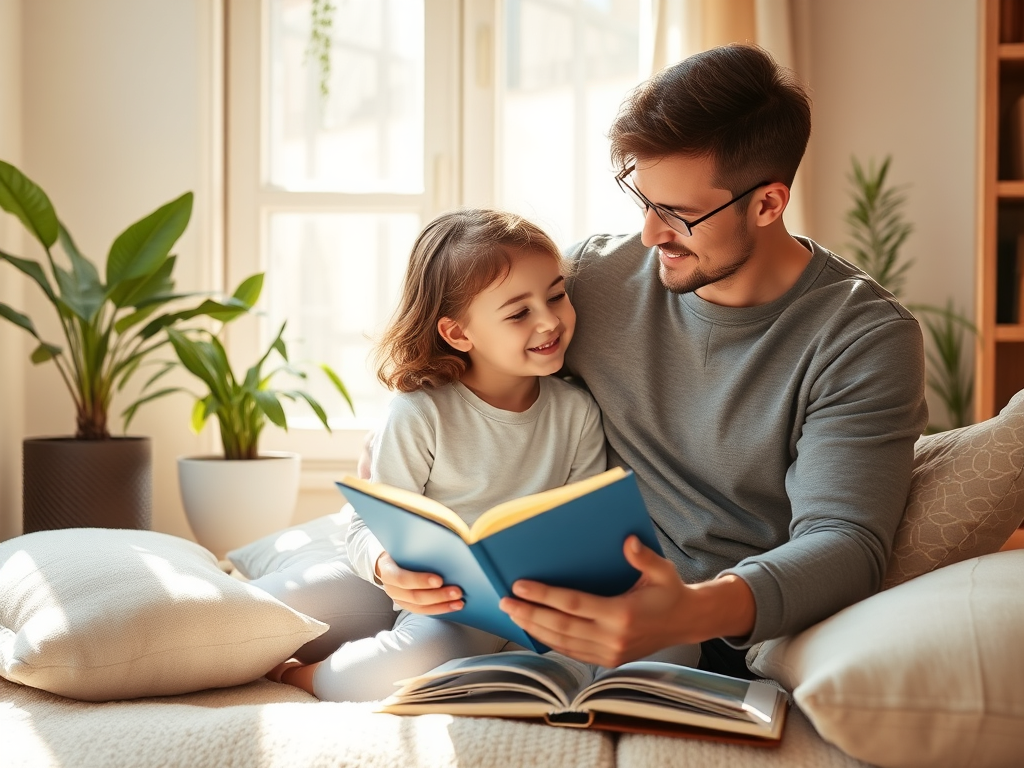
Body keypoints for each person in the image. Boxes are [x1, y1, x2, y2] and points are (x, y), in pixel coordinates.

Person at [492, 43, 929, 678]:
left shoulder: (863, 338)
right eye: (642, 200)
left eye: (679, 214)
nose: (649, 234)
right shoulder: (591, 276)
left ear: (768, 204)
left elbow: (845, 543)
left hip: (709, 628)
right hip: (555, 584)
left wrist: (687, 612)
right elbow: (481, 377)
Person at [270, 208, 608, 701]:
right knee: (286, 629)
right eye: (519, 313)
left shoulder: (576, 411)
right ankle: (289, 673)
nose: (550, 320)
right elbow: (369, 526)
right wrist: (388, 567)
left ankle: (312, 671)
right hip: (425, 593)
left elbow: (584, 528)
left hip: (519, 608)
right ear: (457, 333)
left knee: (645, 655)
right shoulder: (419, 413)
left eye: (556, 295)